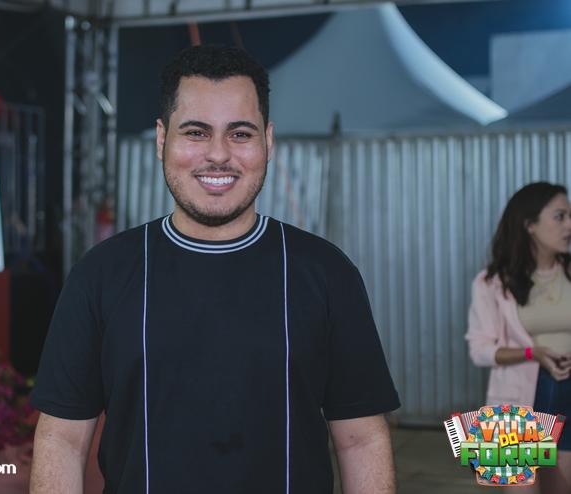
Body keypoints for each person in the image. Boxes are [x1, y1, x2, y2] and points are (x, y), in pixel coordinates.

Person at [29, 45, 400, 494]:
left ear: (268, 141)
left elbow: (361, 440)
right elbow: (62, 440)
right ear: (162, 139)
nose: (219, 154)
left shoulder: (326, 273)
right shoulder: (101, 274)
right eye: (196, 132)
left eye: (240, 133)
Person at [466, 182, 571, 494]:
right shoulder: (491, 282)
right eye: (560, 216)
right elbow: (479, 351)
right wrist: (531, 353)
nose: (569, 225)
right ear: (529, 225)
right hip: (513, 404)